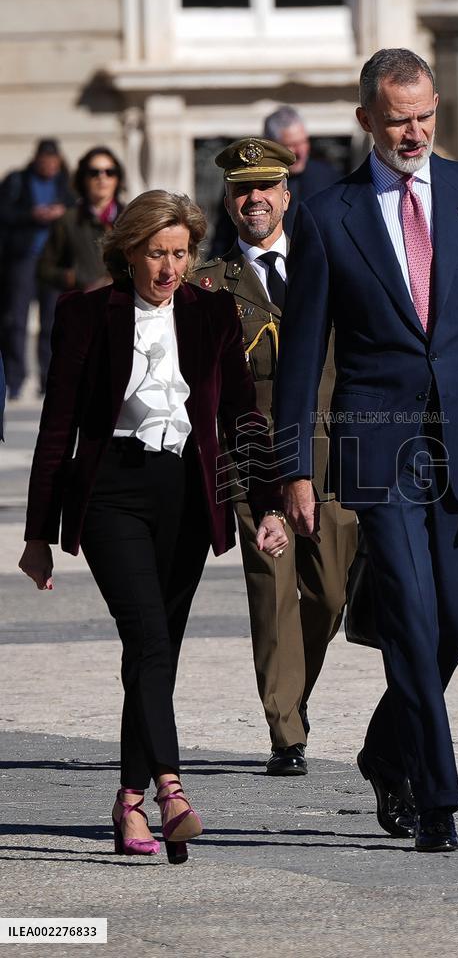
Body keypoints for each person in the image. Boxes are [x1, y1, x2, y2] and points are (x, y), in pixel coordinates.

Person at [274, 49, 458, 852]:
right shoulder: (328, 216)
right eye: (399, 118)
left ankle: (384, 750)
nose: (415, 131)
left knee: (454, 623)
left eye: (425, 114)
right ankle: (437, 799)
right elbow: (301, 355)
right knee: (410, 614)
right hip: (377, 447)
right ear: (366, 119)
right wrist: (294, 466)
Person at [19, 190, 288, 864]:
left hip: (187, 498)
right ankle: (172, 792)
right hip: (110, 490)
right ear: (128, 252)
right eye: (156, 254)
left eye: (180, 254)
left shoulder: (212, 312)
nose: (170, 268)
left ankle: (128, 801)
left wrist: (270, 503)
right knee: (145, 636)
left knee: (155, 652)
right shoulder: (87, 314)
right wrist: (37, 534)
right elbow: (58, 427)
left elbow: (243, 418)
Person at [195, 138, 357, 776]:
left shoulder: (334, 268)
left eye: (266, 188)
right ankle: (285, 730)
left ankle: (293, 695)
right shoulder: (208, 288)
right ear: (228, 203)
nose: (254, 200)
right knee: (272, 587)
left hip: (333, 452)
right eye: (241, 191)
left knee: (329, 591)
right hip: (254, 456)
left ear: (288, 195)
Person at [0, 138, 74, 398]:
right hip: (23, 258)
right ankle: (15, 379)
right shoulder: (17, 181)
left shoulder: (66, 184)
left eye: (54, 161)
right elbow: (4, 212)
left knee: (52, 322)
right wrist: (33, 214)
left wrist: (61, 211)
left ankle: (47, 378)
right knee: (16, 320)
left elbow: (76, 213)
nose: (50, 166)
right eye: (45, 160)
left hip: (53, 261)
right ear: (37, 159)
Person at [211, 107, 339, 256]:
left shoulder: (327, 177)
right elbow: (223, 237)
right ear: (271, 146)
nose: (300, 151)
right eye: (290, 145)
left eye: (303, 142)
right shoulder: (242, 183)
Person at [38, 146, 125, 295]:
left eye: (110, 172)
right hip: (83, 304)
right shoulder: (68, 220)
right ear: (83, 178)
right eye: (94, 172)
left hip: (123, 302)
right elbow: (44, 267)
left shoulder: (131, 217)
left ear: (117, 178)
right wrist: (69, 277)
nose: (102, 177)